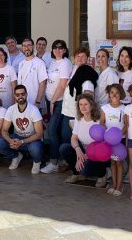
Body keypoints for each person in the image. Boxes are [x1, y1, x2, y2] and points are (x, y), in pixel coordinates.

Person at [59, 94, 107, 187]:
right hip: (83, 149)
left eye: (86, 104)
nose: (83, 107)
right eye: (80, 104)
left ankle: (102, 175)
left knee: (86, 171)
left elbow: (103, 144)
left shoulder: (98, 120)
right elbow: (74, 138)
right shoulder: (79, 119)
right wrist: (78, 151)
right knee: (64, 148)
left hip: (96, 151)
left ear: (91, 105)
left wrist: (87, 155)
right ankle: (76, 174)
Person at [0, 85, 43, 174]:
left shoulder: (33, 110)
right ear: (14, 96)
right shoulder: (11, 109)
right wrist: (10, 140)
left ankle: (36, 161)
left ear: (26, 95)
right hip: (17, 137)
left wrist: (22, 142)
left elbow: (39, 134)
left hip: (32, 139)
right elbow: (4, 130)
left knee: (35, 148)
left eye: (23, 94)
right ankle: (16, 156)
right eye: (17, 94)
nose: (20, 96)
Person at [42, 39, 72, 174]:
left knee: (52, 130)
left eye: (61, 47)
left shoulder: (65, 63)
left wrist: (53, 101)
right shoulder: (53, 62)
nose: (58, 50)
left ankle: (53, 162)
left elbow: (62, 85)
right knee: (56, 131)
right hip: (50, 100)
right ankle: (60, 160)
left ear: (64, 50)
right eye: (55, 47)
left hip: (58, 101)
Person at [60, 47, 98, 147]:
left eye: (83, 56)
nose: (80, 58)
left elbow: (88, 94)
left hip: (77, 113)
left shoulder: (87, 72)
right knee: (66, 136)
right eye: (78, 56)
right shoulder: (75, 69)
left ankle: (77, 160)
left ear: (88, 58)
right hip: (68, 111)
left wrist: (84, 113)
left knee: (73, 139)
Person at [100, 84, 126, 196]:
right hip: (109, 141)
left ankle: (119, 186)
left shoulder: (124, 108)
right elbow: (102, 122)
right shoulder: (105, 108)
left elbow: (126, 125)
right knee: (112, 163)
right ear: (109, 94)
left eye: (117, 93)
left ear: (121, 95)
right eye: (112, 92)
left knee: (119, 163)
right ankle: (114, 184)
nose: (114, 95)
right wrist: (107, 134)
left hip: (120, 140)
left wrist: (119, 135)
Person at [17, 38, 47, 108]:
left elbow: (42, 83)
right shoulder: (21, 63)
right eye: (24, 46)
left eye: (29, 45)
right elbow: (19, 84)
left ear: (33, 47)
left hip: (35, 102)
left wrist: (38, 101)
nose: (26, 48)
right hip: (22, 102)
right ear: (22, 48)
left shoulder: (40, 62)